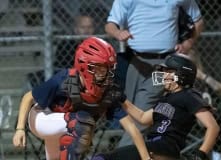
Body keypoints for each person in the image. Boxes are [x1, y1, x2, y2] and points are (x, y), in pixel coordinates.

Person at [12, 37, 152, 160]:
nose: (107, 73)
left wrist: (146, 158)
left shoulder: (108, 91)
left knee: (76, 129)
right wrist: (19, 129)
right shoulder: (65, 79)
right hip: (41, 117)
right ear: (85, 66)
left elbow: (132, 127)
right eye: (101, 68)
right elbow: (28, 97)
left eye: (108, 68)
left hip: (64, 125)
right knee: (81, 122)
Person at [105, 0, 204, 147]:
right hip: (136, 62)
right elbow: (110, 24)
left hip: (163, 65)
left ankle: (121, 154)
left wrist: (188, 42)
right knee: (130, 112)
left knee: (143, 109)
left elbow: (198, 20)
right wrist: (118, 33)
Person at [92, 53, 220, 160]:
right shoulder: (166, 98)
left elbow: (213, 126)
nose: (163, 75)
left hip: (166, 146)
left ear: (181, 75)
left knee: (104, 158)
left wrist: (201, 153)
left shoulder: (189, 95)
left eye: (168, 71)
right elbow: (142, 118)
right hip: (154, 144)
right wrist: (123, 99)